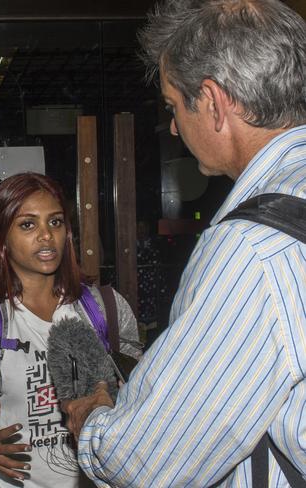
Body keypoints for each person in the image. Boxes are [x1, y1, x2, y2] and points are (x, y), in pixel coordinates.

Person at [63, 1, 306, 487]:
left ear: (214, 103)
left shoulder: (252, 250)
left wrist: (92, 419)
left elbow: (148, 461)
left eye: (174, 106)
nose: (173, 127)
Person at [0, 172, 141, 487]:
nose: (46, 236)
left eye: (55, 222)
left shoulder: (105, 308)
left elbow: (144, 395)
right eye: (28, 225)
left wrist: (114, 397)